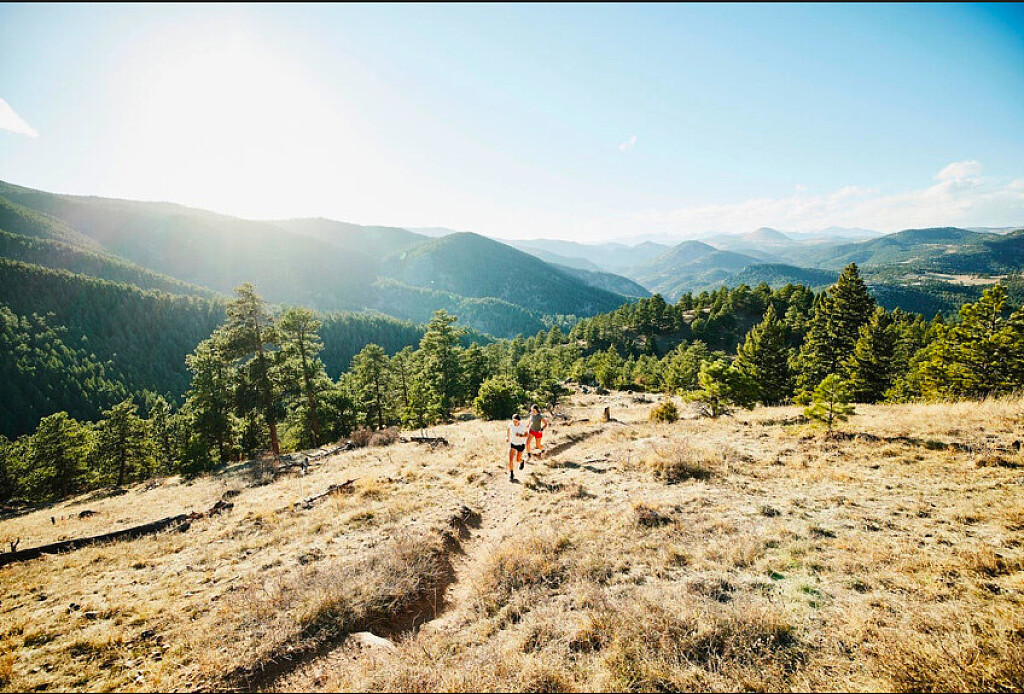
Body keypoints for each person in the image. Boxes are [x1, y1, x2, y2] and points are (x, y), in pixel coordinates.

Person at [506, 413, 529, 482]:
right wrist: (507, 437)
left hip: (520, 445)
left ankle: (522, 461)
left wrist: (520, 435)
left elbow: (527, 434)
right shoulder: (510, 425)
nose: (514, 422)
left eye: (516, 421)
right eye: (513, 421)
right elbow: (508, 430)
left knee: (518, 460)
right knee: (510, 459)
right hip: (513, 444)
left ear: (519, 421)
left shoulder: (522, 426)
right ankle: (511, 473)